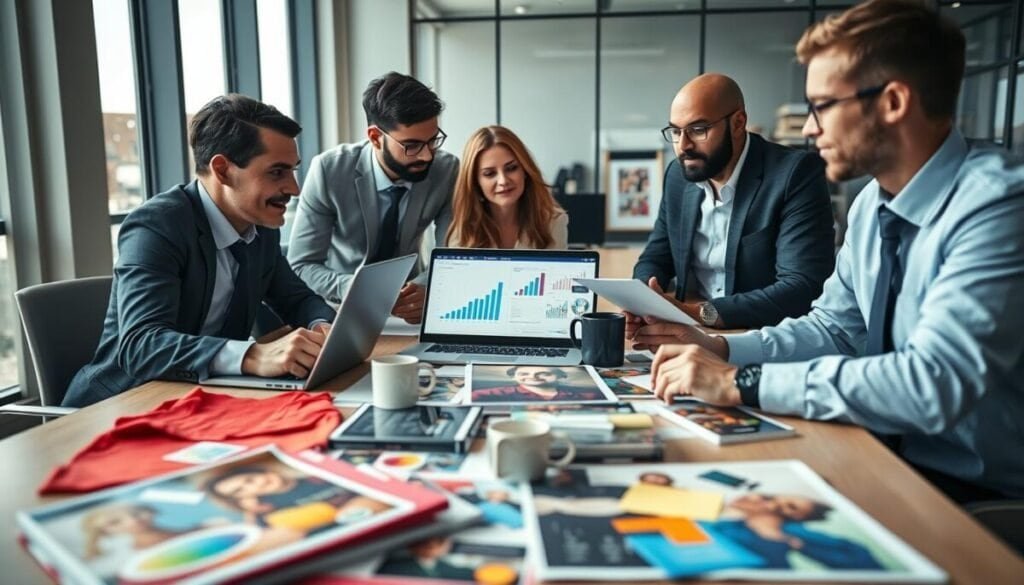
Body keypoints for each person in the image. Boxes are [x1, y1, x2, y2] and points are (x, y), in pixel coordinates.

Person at [647, 0, 1024, 502]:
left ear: (892, 102)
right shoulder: (871, 204)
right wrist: (719, 349)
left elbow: (931, 383)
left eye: (822, 106)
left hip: (975, 495)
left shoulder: (998, 206)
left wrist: (743, 381)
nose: (807, 128)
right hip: (881, 455)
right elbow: (834, 328)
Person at [64, 95, 336, 407]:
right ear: (222, 170)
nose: (294, 188)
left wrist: (323, 330)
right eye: (277, 172)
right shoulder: (158, 225)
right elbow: (141, 347)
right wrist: (253, 354)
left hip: (202, 401)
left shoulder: (259, 227)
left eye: (293, 171)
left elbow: (298, 299)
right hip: (120, 404)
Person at [629, 73, 834, 331]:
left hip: (762, 335)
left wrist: (699, 314)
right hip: (691, 329)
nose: (683, 145)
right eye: (676, 131)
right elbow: (655, 257)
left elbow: (802, 286)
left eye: (698, 130)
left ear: (738, 123)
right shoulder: (677, 177)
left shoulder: (794, 174)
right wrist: (642, 303)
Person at [288, 72, 458, 323]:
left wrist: (425, 288)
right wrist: (359, 291)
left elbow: (450, 255)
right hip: (343, 307)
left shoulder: (447, 169)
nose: (427, 156)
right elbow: (302, 265)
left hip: (413, 307)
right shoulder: (329, 170)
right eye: (412, 145)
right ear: (376, 138)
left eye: (433, 141)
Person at [446, 125, 567, 249]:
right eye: (489, 173)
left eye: (511, 168)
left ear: (525, 170)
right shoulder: (463, 231)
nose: (503, 181)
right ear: (475, 182)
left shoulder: (553, 222)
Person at [716, 493, 883, 569]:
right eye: (771, 498)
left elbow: (859, 558)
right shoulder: (728, 524)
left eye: (792, 507)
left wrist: (799, 545)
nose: (756, 498)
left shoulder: (792, 537)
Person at [471, 366, 606, 403]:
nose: (532, 377)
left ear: (561, 376)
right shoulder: (500, 393)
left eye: (543, 374)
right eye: (523, 374)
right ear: (514, 377)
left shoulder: (587, 395)